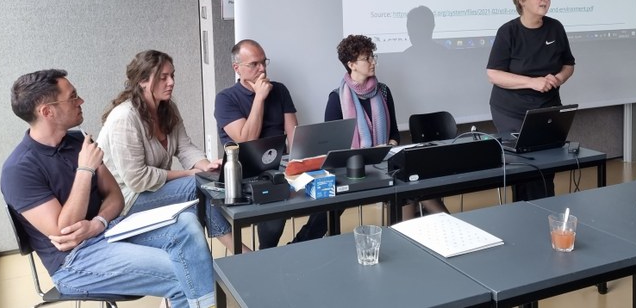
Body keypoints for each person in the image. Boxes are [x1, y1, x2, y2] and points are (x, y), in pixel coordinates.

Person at [1, 69, 215, 308]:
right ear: (47, 112)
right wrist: (85, 170)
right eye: (73, 97)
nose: (81, 101)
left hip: (108, 231)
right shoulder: (19, 169)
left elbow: (115, 196)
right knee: (183, 271)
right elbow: (65, 232)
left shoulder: (78, 140)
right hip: (73, 262)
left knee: (186, 223)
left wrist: (98, 223)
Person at [97, 50, 243, 253]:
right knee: (196, 186)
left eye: (172, 75)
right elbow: (137, 180)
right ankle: (238, 250)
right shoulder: (124, 118)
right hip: (126, 199)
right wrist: (188, 174)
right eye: (163, 77)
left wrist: (206, 166)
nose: (171, 82)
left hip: (153, 190)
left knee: (206, 185)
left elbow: (185, 147)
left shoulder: (167, 108)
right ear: (143, 81)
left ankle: (222, 255)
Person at [215, 39, 324, 248]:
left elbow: (295, 137)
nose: (262, 69)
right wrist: (259, 98)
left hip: (281, 167)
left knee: (332, 193)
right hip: (248, 174)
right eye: (254, 64)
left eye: (264, 62)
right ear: (237, 68)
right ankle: (267, 253)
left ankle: (299, 246)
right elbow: (247, 141)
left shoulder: (280, 90)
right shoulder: (225, 99)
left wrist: (301, 165)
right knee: (275, 207)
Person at [325, 34, 448, 216]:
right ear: (351, 65)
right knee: (408, 189)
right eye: (367, 58)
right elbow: (332, 147)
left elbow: (395, 134)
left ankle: (446, 227)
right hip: (353, 170)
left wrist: (386, 147)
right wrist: (366, 154)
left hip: (384, 163)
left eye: (373, 56)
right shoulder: (337, 98)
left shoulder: (383, 91)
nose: (373, 62)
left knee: (416, 183)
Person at [486, 0, 575, 201]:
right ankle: (525, 209)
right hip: (511, 110)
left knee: (548, 162)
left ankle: (546, 207)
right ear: (521, 0)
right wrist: (532, 82)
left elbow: (568, 65)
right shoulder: (508, 31)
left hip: (547, 107)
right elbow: (493, 74)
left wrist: (558, 78)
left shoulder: (555, 27)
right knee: (524, 164)